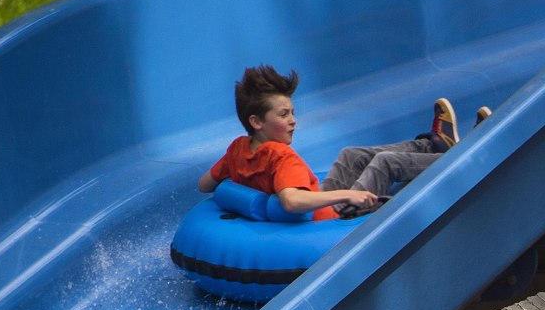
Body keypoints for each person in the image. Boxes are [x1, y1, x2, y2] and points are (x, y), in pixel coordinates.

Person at [199, 65, 491, 219]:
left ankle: (433, 144)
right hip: (332, 216)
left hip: (315, 206)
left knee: (350, 155)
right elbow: (292, 201)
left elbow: (204, 185)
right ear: (257, 121)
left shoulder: (238, 148)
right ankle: (464, 155)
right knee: (385, 164)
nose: (293, 120)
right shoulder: (281, 157)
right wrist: (346, 196)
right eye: (284, 114)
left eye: (293, 112)